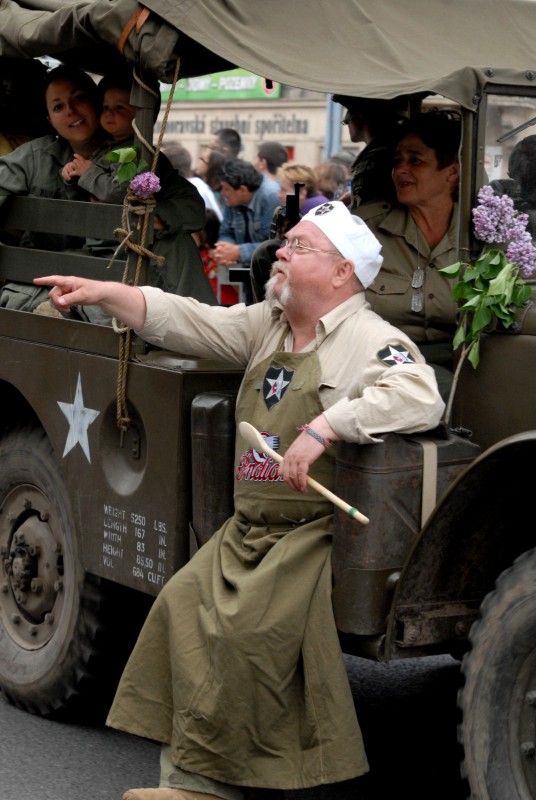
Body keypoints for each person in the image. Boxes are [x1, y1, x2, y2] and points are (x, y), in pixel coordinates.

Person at [35, 200, 444, 800]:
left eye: (300, 247)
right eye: (287, 243)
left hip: (310, 533)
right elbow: (185, 319)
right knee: (181, 603)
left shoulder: (374, 340)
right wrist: (102, 291)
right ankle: (190, 776)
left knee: (246, 630)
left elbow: (419, 395)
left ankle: (215, 785)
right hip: (248, 528)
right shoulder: (268, 325)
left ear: (342, 273)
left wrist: (327, 427)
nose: (281, 251)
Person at [59, 71, 216, 305]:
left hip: (133, 245)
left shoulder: (138, 153)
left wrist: (89, 172)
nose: (110, 114)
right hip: (108, 242)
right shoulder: (105, 150)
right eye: (105, 108)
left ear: (141, 116)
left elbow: (119, 192)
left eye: (120, 108)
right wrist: (72, 174)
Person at [358, 110, 461, 399]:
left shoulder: (482, 235)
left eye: (415, 161)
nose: (400, 170)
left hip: (463, 367)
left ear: (452, 172)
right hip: (379, 365)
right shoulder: (363, 230)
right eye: (397, 161)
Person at [0, 63, 105, 312]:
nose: (71, 111)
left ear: (97, 103)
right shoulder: (36, 155)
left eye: (79, 99)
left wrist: (160, 218)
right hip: (38, 283)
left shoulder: (128, 156)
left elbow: (188, 208)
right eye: (58, 107)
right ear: (50, 120)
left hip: (102, 288)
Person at [333, 94, 408, 210]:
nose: (347, 126)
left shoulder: (377, 159)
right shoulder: (387, 149)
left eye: (346, 121)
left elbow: (373, 206)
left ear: (359, 117)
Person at [212, 158, 280, 269]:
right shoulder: (233, 199)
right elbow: (226, 232)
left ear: (243, 190)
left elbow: (275, 244)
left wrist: (239, 252)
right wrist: (224, 249)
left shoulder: (271, 197)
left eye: (226, 189)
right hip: (248, 268)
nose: (222, 193)